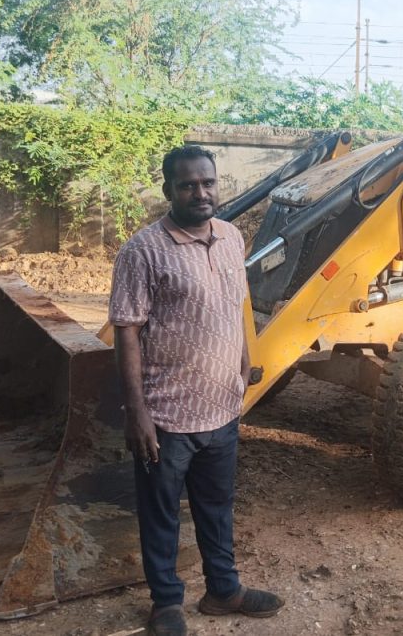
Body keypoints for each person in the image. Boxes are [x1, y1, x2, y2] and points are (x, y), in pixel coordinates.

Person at [109, 145, 283, 636]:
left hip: (222, 407)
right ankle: (166, 603)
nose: (200, 192)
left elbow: (236, 303)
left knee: (216, 506)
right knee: (161, 513)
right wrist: (136, 411)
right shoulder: (142, 251)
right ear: (169, 190)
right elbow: (126, 330)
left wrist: (244, 358)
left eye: (207, 183)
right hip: (167, 415)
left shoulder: (231, 237)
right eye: (187, 185)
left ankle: (223, 590)